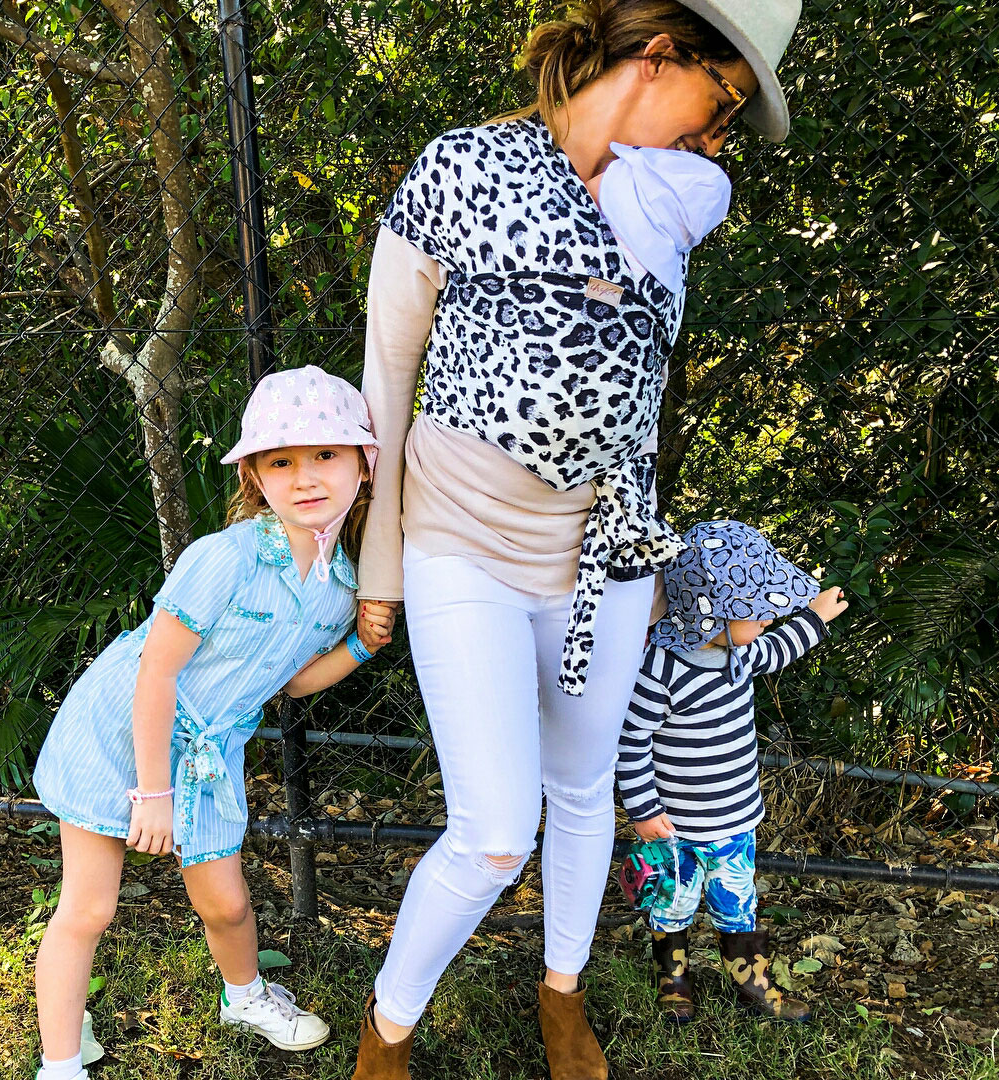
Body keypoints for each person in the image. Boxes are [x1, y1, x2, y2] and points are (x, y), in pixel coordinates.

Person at [351, 0, 803, 1076]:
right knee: (498, 827)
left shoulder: (667, 210)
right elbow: (388, 371)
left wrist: (645, 565)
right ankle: (386, 1027)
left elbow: (637, 399)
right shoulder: (464, 167)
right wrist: (380, 564)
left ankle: (562, 996)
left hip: (602, 556)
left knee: (583, 788)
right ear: (658, 58)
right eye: (722, 100)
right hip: (462, 537)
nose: (717, 136)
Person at [30, 366, 396, 1080]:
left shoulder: (342, 584)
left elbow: (289, 682)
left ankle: (246, 995)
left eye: (327, 454)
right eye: (281, 460)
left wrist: (359, 645)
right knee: (90, 908)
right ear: (257, 476)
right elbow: (155, 673)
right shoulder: (222, 560)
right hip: (122, 733)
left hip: (211, 749)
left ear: (363, 464)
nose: (306, 475)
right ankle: (61, 1063)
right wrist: (152, 791)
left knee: (227, 904)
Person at [617, 519, 848, 1022]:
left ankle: (752, 984)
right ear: (712, 614)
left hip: (734, 825)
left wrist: (815, 616)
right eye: (758, 611)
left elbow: (780, 649)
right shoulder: (659, 669)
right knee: (671, 908)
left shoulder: (737, 653)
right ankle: (673, 982)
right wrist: (643, 810)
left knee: (738, 906)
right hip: (674, 829)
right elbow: (632, 742)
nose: (768, 619)